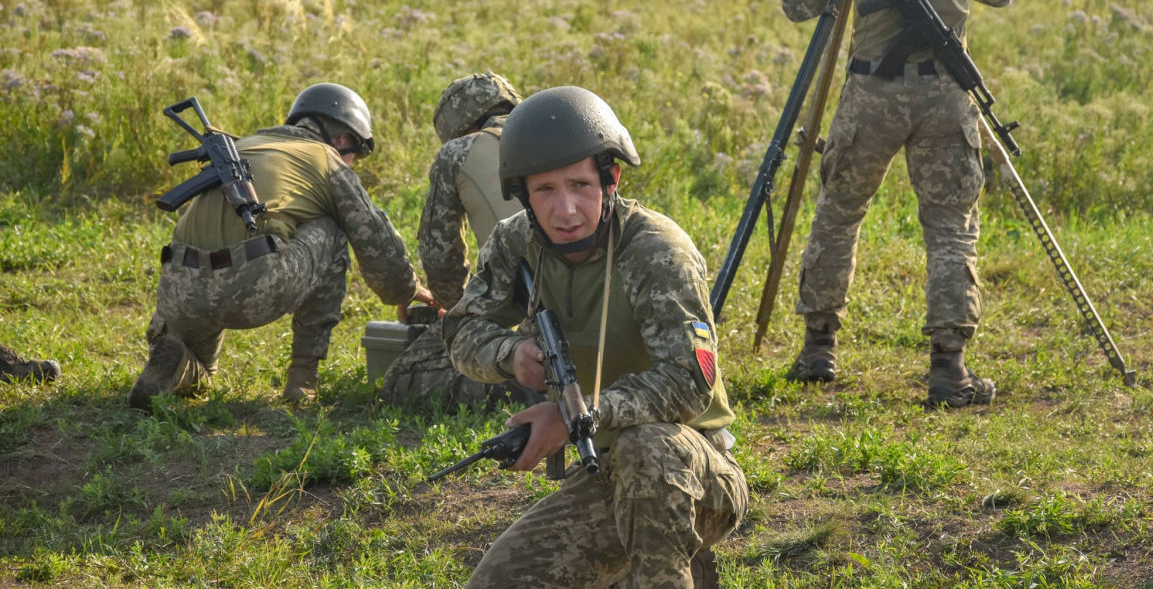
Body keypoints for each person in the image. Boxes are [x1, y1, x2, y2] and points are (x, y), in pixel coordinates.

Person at [443, 86, 748, 588]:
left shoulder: (654, 250)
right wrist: (511, 354)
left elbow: (691, 380)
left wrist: (578, 414)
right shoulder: (517, 242)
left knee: (645, 450)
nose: (566, 210)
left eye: (580, 185)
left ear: (611, 180)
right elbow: (459, 331)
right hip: (602, 475)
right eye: (545, 190)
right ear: (522, 193)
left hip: (694, 468)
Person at [776, 0, 1015, 407]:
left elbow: (800, 3)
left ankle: (818, 349)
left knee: (838, 212)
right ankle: (949, 369)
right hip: (946, 94)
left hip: (871, 93)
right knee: (951, 228)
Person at [129, 82, 433, 410]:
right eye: (355, 154)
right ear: (343, 139)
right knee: (331, 232)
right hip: (250, 287)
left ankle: (174, 362)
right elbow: (375, 238)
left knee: (202, 373)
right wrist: (406, 290)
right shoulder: (327, 159)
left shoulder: (244, 145)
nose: (352, 164)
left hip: (180, 288)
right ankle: (302, 379)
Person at [381, 72, 538, 410]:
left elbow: (442, 255)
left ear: (456, 126)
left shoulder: (457, 152)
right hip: (598, 299)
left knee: (403, 380)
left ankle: (535, 389)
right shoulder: (559, 133)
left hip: (534, 305)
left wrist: (455, 311)